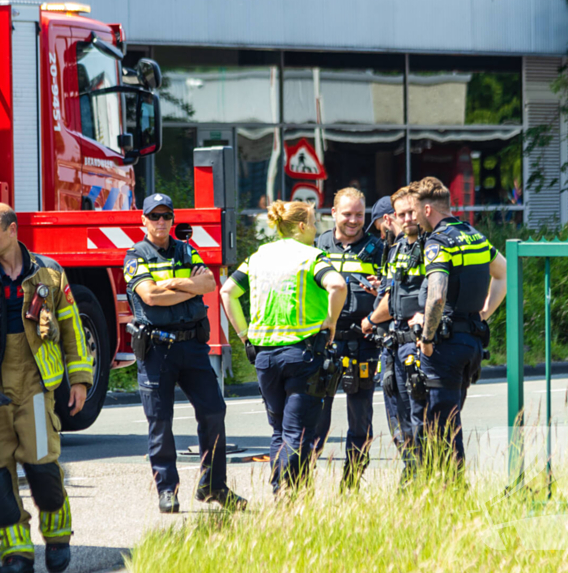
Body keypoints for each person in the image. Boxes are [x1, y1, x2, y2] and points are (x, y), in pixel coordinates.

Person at [0, 203, 92, 573]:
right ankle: (16, 553)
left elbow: (72, 329)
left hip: (35, 384)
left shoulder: (50, 273)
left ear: (12, 230)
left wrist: (79, 379)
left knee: (42, 466)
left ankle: (58, 537)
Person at [125, 193, 247, 514]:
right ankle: (167, 489)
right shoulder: (136, 256)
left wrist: (173, 284)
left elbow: (208, 283)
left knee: (214, 411)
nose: (161, 222)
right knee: (160, 422)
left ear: (172, 220)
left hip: (192, 346)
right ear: (144, 220)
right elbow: (150, 297)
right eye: (154, 216)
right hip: (157, 349)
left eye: (166, 216)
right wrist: (186, 287)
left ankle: (213, 486)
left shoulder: (186, 249)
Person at [221, 201, 347, 492]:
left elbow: (227, 291)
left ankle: (281, 493)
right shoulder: (312, 256)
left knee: (279, 431)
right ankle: (291, 496)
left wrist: (244, 335)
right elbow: (338, 285)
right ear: (301, 226)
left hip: (264, 357)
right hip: (302, 355)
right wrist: (331, 321)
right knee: (297, 432)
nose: (316, 229)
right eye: (313, 223)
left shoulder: (259, 256)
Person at [407, 177, 507, 469]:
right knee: (449, 417)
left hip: (445, 345)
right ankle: (446, 484)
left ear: (428, 210)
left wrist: (427, 339)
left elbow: (437, 295)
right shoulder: (474, 235)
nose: (413, 218)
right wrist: (484, 313)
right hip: (471, 341)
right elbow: (504, 272)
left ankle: (452, 487)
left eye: (415, 211)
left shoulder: (438, 241)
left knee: (441, 426)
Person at [310, 188, 385, 488]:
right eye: (347, 214)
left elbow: (395, 294)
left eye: (359, 214)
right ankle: (302, 482)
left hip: (362, 342)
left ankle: (351, 483)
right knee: (316, 416)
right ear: (333, 213)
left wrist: (381, 289)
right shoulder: (318, 245)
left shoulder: (379, 249)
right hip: (324, 342)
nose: (353, 220)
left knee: (360, 417)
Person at [363, 187, 427, 479]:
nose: (381, 234)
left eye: (380, 228)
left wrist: (370, 319)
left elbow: (394, 302)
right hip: (395, 344)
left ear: (387, 220)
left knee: (412, 414)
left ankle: (419, 475)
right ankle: (413, 473)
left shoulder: (419, 246)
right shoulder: (397, 249)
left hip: (408, 342)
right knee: (401, 415)